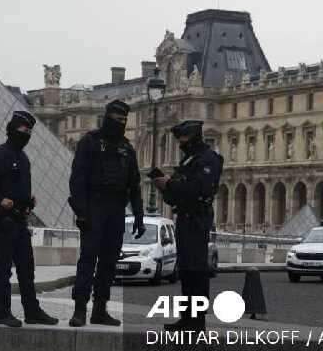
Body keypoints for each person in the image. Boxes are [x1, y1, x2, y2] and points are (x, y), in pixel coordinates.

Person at [0, 110, 59, 328]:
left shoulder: (24, 158)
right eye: (24, 130)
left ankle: (32, 311)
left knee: (27, 269)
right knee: (4, 269)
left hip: (20, 220)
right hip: (4, 220)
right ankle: (1, 312)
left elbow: (18, 187)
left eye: (30, 131)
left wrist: (29, 202)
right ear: (12, 129)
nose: (27, 134)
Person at [68, 99, 144, 327]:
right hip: (94, 207)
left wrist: (139, 215)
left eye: (124, 120)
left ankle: (100, 308)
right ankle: (79, 309)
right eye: (117, 119)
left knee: (109, 262)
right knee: (88, 259)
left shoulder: (126, 148)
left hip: (116, 210)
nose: (121, 123)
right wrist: (81, 211)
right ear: (107, 117)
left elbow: (134, 184)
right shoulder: (89, 142)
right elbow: (77, 179)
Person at [153, 120, 223, 330]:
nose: (180, 142)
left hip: (198, 218)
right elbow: (177, 193)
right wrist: (165, 188)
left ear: (193, 136)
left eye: (183, 138)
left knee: (196, 270)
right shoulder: (189, 161)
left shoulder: (209, 159)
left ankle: (197, 321)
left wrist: (171, 184)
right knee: (186, 270)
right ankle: (187, 318)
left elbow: (199, 188)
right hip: (185, 216)